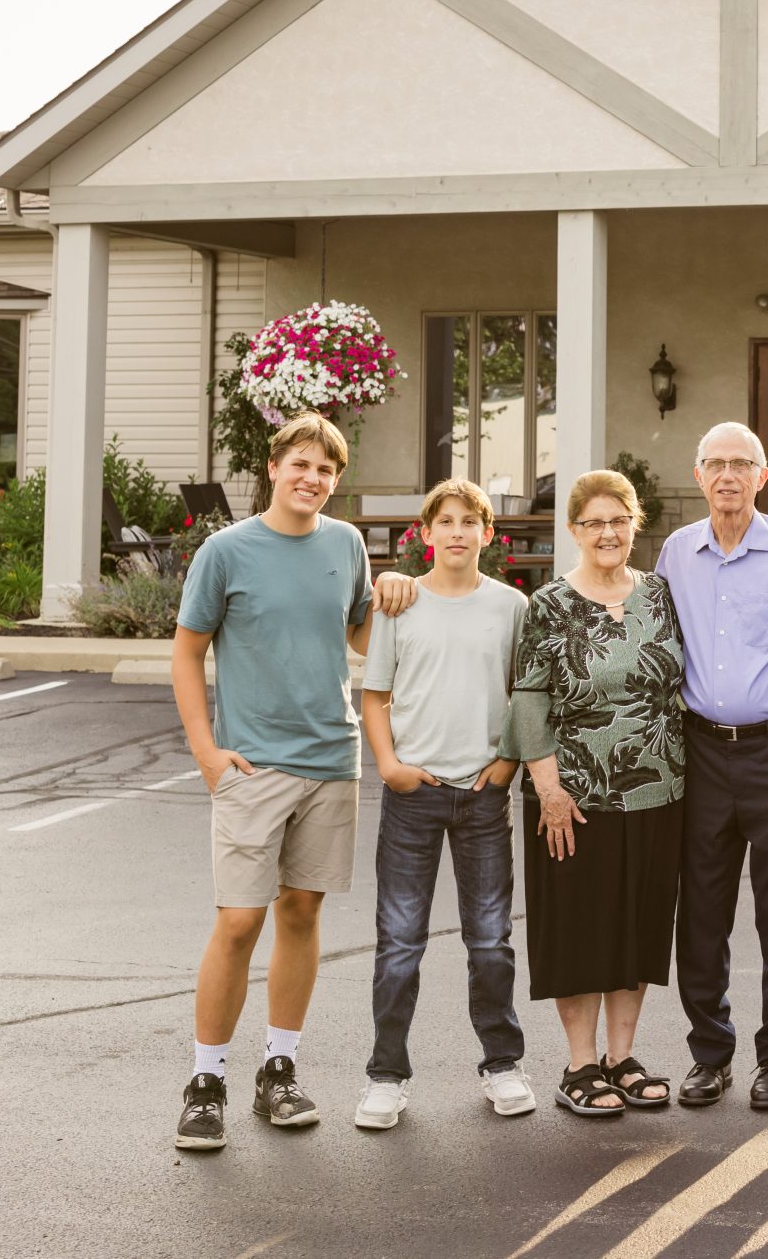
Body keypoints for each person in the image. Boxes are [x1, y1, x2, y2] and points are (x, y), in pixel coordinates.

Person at [168, 413, 370, 1149]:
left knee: (301, 915)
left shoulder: (347, 546)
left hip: (330, 761)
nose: (313, 479)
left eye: (327, 470)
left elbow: (361, 632)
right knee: (239, 921)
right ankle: (205, 1081)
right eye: (302, 464)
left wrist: (422, 602)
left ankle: (278, 1071)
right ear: (275, 464)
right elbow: (187, 654)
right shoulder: (226, 551)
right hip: (252, 766)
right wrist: (206, 751)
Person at [503, 467, 689, 1119]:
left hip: (657, 792)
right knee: (581, 929)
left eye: (618, 520)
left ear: (634, 524)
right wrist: (548, 790)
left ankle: (622, 1056)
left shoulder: (661, 594)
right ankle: (580, 1063)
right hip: (574, 799)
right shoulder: (550, 605)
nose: (608, 533)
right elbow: (528, 701)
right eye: (594, 523)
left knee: (636, 927)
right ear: (574, 530)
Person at [354, 479, 532, 1131]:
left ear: (490, 534)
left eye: (470, 522)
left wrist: (507, 763)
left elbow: (526, 694)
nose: (457, 532)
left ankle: (502, 1063)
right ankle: (386, 1076)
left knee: (490, 941)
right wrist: (390, 766)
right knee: (399, 943)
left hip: (482, 797)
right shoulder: (402, 605)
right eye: (445, 522)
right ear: (425, 535)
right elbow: (375, 696)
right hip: (414, 797)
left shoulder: (511, 607)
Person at [656, 422, 768, 1112]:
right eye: (715, 463)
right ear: (699, 476)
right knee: (700, 911)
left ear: (762, 475)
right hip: (699, 750)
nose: (728, 475)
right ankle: (710, 1052)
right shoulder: (676, 551)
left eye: (741, 464)